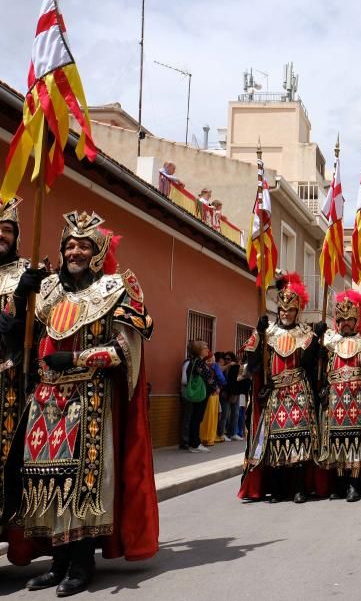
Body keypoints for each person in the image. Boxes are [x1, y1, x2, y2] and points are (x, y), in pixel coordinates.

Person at [6, 210, 157, 595]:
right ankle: (57, 563)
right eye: (69, 245)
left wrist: (77, 359)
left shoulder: (117, 287)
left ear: (97, 251)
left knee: (83, 485)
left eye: (83, 245)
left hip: (90, 397)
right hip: (45, 397)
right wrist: (25, 292)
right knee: (46, 482)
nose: (74, 251)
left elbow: (126, 347)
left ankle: (81, 564)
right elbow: (18, 334)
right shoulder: (49, 291)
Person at [238, 272, 320, 504]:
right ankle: (276, 489)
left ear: (297, 311)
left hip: (299, 391)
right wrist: (258, 331)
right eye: (282, 310)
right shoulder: (268, 332)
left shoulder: (306, 334)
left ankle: (299, 488)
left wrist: (318, 342)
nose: (285, 314)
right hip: (275, 393)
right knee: (275, 443)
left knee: (300, 441)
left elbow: (313, 365)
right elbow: (250, 361)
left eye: (289, 310)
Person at [0, 197, 45, 539]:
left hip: (11, 381)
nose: (1, 235)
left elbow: (43, 327)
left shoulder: (28, 272)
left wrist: (21, 301)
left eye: (7, 230)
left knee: (9, 465)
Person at [314, 290, 361, 502]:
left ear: (356, 321)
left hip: (358, 398)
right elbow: (318, 370)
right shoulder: (329, 343)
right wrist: (317, 347)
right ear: (337, 322)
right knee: (337, 443)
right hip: (335, 397)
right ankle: (340, 484)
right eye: (342, 320)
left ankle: (354, 485)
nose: (346, 323)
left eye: (350, 319)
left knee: (356, 443)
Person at [180, 340, 213, 453]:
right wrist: (215, 386)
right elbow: (208, 377)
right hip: (200, 394)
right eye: (205, 347)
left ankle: (194, 442)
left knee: (196, 418)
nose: (207, 349)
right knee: (196, 418)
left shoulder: (198, 361)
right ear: (199, 350)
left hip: (201, 393)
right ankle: (194, 444)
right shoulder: (198, 362)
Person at [199, 351, 225, 447]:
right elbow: (221, 379)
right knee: (211, 417)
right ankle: (209, 437)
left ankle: (206, 437)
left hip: (208, 394)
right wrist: (217, 387)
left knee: (207, 417)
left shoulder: (203, 367)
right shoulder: (212, 367)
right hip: (213, 394)